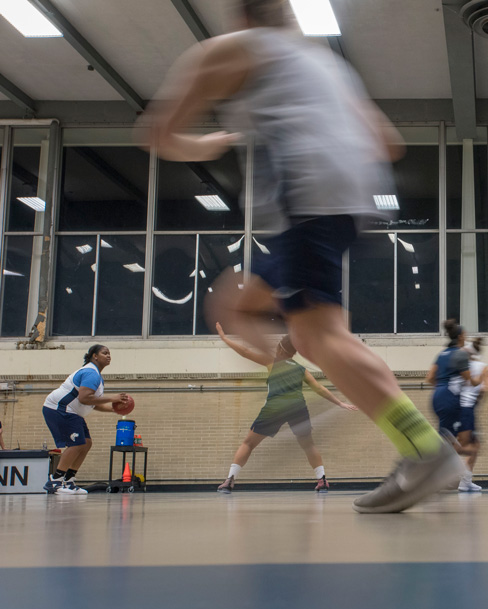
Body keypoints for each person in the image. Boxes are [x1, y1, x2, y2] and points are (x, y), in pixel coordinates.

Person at [141, 0, 466, 513]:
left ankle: (424, 448)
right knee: (234, 304)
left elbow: (158, 133)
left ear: (242, 15)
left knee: (321, 336)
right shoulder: (328, 65)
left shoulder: (233, 49)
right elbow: (389, 142)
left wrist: (205, 144)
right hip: (343, 203)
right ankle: (341, 388)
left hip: (305, 197)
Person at [215, 324, 357, 494]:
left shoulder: (272, 362)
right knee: (308, 445)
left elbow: (245, 352)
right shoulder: (300, 369)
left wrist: (225, 338)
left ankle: (229, 481)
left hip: (275, 407)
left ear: (280, 348)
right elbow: (320, 388)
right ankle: (322, 481)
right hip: (297, 407)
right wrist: (340, 403)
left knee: (249, 443)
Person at [42, 345, 129, 495]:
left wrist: (114, 409)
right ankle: (55, 481)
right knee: (77, 444)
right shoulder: (91, 373)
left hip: (72, 411)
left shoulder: (97, 376)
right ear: (94, 356)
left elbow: (91, 402)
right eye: (105, 353)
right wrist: (113, 398)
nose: (108, 356)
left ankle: (69, 480)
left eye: (109, 353)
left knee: (86, 443)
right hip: (59, 408)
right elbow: (84, 397)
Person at [426, 321, 482, 490]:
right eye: (464, 335)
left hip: (437, 396)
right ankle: (433, 476)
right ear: (459, 337)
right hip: (450, 399)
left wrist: (443, 386)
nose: (466, 338)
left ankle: (457, 476)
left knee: (449, 439)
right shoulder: (460, 354)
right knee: (457, 443)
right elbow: (470, 381)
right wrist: (478, 379)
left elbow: (429, 378)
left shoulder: (441, 354)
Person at [457, 337, 488, 492]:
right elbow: (485, 389)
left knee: (466, 444)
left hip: (455, 407)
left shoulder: (462, 366)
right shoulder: (483, 367)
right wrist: (477, 399)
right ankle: (463, 480)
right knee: (472, 446)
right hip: (468, 409)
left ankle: (465, 480)